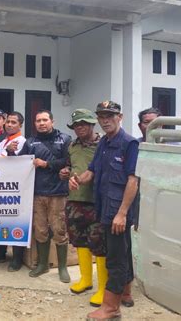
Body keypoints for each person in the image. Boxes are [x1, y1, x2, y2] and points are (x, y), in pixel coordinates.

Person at [70, 101, 139, 320]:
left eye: (110, 115)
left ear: (121, 117)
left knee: (115, 258)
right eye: (101, 116)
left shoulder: (129, 143)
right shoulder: (103, 144)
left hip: (118, 211)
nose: (105, 120)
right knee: (123, 252)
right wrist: (77, 180)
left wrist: (122, 213)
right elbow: (91, 172)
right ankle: (125, 293)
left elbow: (132, 180)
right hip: (105, 207)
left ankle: (111, 308)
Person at [59, 109, 107, 307]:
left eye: (83, 124)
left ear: (92, 124)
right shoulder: (72, 145)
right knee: (79, 241)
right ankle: (86, 280)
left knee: (100, 245)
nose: (80, 128)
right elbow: (71, 166)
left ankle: (103, 288)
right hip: (75, 200)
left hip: (97, 201)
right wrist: (65, 172)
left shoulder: (104, 144)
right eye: (76, 125)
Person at [18, 109, 71, 283]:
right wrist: (11, 153)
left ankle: (62, 267)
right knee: (40, 230)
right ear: (34, 123)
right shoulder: (30, 141)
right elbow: (20, 163)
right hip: (36, 193)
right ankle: (42, 264)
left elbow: (68, 161)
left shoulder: (65, 139)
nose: (41, 123)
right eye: (38, 120)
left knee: (58, 229)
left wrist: (47, 164)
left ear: (52, 121)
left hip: (57, 193)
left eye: (45, 120)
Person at [0, 112, 27, 271]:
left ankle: (16, 258)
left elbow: (8, 161)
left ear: (20, 125)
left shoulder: (21, 142)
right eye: (8, 121)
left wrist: (7, 152)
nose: (9, 124)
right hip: (0, 187)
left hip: (15, 189)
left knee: (16, 222)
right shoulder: (4, 141)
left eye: (13, 122)